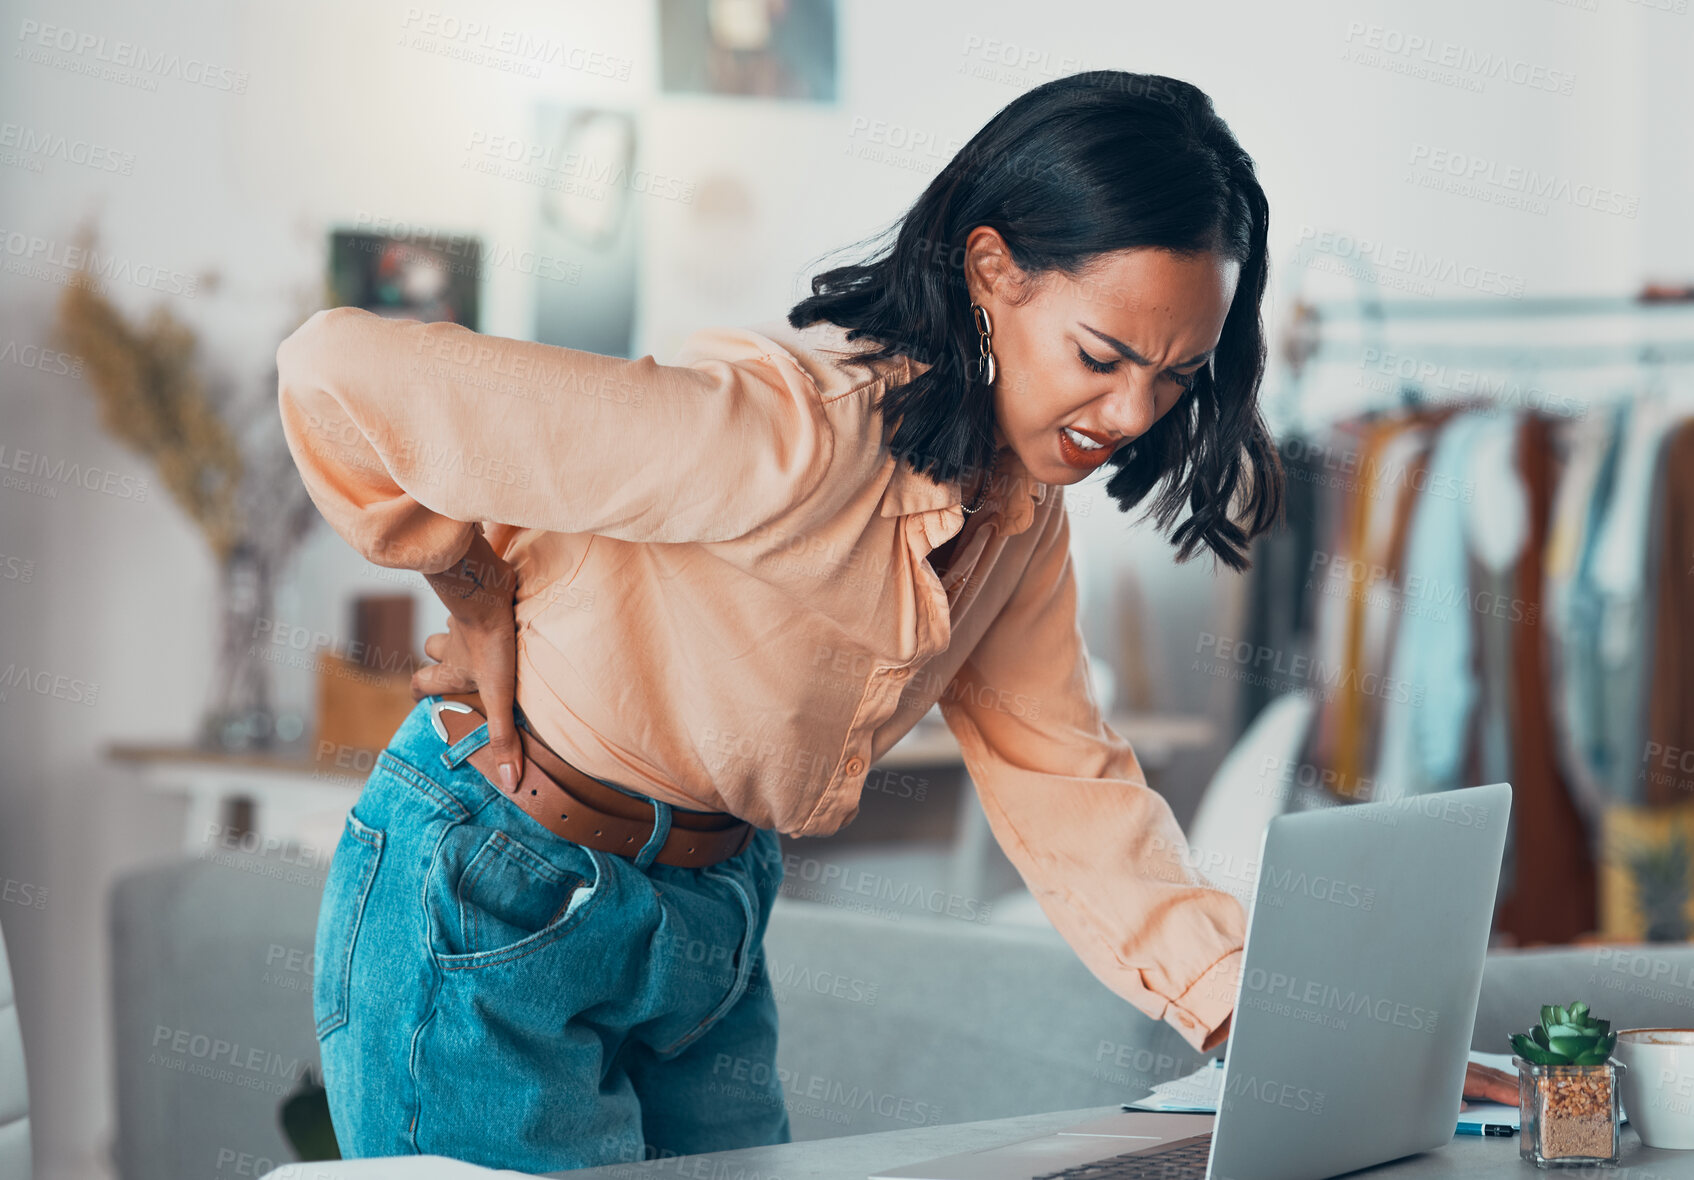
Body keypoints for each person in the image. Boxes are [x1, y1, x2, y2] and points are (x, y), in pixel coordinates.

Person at [277, 69, 1513, 1173]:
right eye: (1101, 354)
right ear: (990, 273)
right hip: (494, 892)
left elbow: (1062, 782)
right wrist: (461, 574)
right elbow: (335, 368)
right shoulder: (786, 432)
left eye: (1172, 378)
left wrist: (1292, 1023)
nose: (1133, 412)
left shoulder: (1018, 518)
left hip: (708, 914)